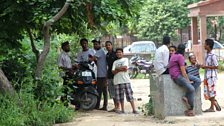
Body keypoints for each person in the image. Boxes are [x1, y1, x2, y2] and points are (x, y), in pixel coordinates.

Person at [169, 44, 201, 116]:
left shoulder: (174, 55)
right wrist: (188, 81)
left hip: (178, 74)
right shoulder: (180, 57)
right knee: (192, 89)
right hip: (177, 76)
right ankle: (190, 110)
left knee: (198, 80)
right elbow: (183, 71)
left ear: (177, 49)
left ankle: (186, 96)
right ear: (184, 51)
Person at [112, 48, 138, 114]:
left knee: (130, 95)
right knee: (120, 97)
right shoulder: (115, 62)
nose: (118, 53)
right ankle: (122, 110)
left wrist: (117, 68)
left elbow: (125, 68)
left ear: (122, 53)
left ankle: (134, 109)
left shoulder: (125, 59)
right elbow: (113, 71)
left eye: (120, 52)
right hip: (117, 81)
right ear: (116, 54)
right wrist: (120, 69)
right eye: (117, 52)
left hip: (126, 80)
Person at [201, 38, 221, 112]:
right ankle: (214, 103)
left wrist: (206, 67)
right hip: (207, 75)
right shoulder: (207, 55)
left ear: (208, 45)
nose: (204, 45)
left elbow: (216, 66)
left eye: (205, 44)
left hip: (212, 76)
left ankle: (212, 106)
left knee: (211, 90)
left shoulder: (213, 55)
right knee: (207, 91)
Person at [92, 40, 108, 110]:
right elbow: (95, 61)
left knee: (100, 90)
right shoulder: (102, 52)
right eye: (94, 45)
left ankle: (98, 105)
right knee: (103, 91)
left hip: (102, 75)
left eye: (96, 44)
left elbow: (92, 59)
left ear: (99, 44)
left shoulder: (100, 51)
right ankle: (104, 106)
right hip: (102, 74)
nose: (95, 46)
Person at [105, 41, 118, 112]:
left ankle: (118, 106)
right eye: (106, 45)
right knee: (111, 91)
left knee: (117, 91)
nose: (108, 46)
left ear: (112, 45)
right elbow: (107, 66)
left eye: (109, 45)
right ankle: (115, 106)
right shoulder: (107, 55)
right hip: (109, 75)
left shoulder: (115, 54)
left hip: (115, 75)